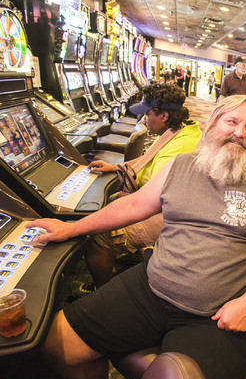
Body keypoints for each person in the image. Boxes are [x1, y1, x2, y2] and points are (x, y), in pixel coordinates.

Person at [28, 95, 246, 379]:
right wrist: (72, 228)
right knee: (56, 346)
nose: (240, 132)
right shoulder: (180, 166)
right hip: (151, 288)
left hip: (217, 317)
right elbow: (132, 206)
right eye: (232, 121)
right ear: (212, 125)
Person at [78, 82, 202, 291]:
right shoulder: (180, 128)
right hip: (169, 204)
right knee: (109, 204)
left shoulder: (179, 148)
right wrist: (113, 167)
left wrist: (129, 200)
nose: (144, 119)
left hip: (172, 215)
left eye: (148, 113)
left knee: (97, 238)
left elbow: (161, 199)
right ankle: (130, 254)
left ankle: (102, 293)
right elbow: (149, 157)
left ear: (164, 116)